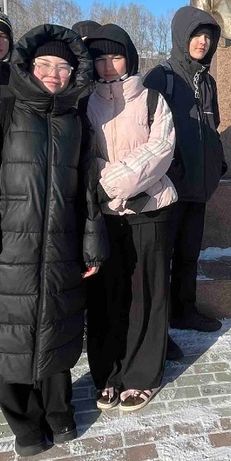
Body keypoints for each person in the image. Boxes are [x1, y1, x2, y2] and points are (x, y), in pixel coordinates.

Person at [0, 25, 107, 456]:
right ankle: (23, 423)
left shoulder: (75, 120)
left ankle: (59, 413)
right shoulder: (0, 111)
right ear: (27, 66)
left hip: (61, 246)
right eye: (45, 65)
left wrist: (93, 244)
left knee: (56, 332)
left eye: (63, 66)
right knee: (12, 337)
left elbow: (88, 192)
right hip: (9, 249)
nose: (55, 75)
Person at [84, 24, 177, 412]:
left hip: (149, 209)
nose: (108, 66)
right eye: (101, 59)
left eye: (116, 56)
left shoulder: (153, 100)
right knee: (107, 297)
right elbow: (84, 154)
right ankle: (108, 372)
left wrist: (115, 184)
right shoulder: (85, 103)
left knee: (147, 295)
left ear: (131, 58)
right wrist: (108, 185)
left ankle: (142, 375)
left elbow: (162, 149)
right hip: (103, 217)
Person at [144, 6, 227, 339]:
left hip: (199, 185)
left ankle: (184, 311)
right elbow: (147, 133)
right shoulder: (161, 77)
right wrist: (172, 168)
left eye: (208, 36)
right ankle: (156, 329)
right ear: (181, 36)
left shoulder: (207, 82)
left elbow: (212, 126)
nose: (203, 42)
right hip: (169, 187)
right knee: (161, 259)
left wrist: (217, 162)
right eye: (196, 35)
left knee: (189, 254)